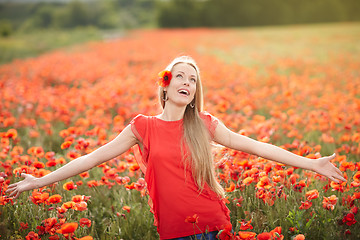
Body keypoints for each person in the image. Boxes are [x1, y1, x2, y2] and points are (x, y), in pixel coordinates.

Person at [6, 56, 346, 240]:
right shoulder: (142, 127)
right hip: (172, 231)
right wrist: (40, 181)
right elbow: (93, 158)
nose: (187, 82)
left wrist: (311, 163)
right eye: (180, 77)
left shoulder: (205, 125)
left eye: (193, 79)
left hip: (211, 227)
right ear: (165, 88)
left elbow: (258, 147)